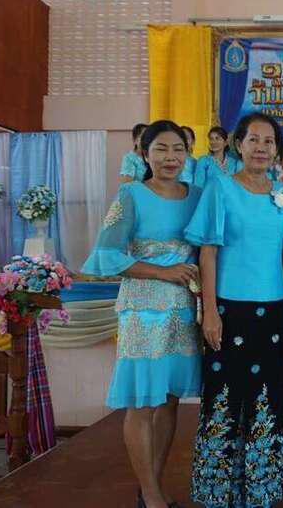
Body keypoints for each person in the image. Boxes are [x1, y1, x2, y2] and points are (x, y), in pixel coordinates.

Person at [82, 120, 203, 508]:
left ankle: (153, 485)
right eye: (161, 149)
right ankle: (151, 495)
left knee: (168, 400)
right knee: (142, 402)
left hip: (183, 310)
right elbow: (107, 256)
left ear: (188, 154)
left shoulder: (198, 196)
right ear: (144, 154)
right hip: (142, 310)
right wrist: (163, 272)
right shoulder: (131, 194)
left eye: (178, 149)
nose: (171, 157)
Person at [185, 112, 283, 508]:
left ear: (277, 149)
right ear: (239, 144)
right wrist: (210, 311)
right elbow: (208, 252)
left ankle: (261, 490)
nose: (261, 148)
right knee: (225, 397)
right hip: (229, 311)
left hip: (273, 312)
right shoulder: (220, 188)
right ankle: (220, 492)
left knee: (269, 397)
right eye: (254, 140)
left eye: (269, 142)